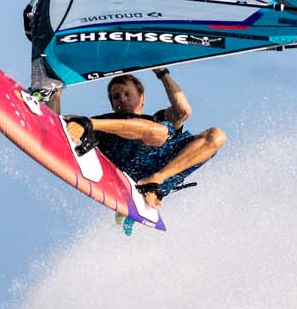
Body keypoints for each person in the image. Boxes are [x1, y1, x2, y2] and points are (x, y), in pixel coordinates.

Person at [65, 67, 225, 209]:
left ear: (142, 97)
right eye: (116, 97)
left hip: (161, 174)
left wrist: (162, 72)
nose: (122, 98)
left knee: (216, 136)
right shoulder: (106, 121)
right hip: (128, 167)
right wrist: (56, 93)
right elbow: (60, 121)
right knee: (160, 131)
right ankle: (89, 124)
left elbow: (184, 111)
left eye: (127, 93)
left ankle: (154, 180)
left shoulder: (157, 119)